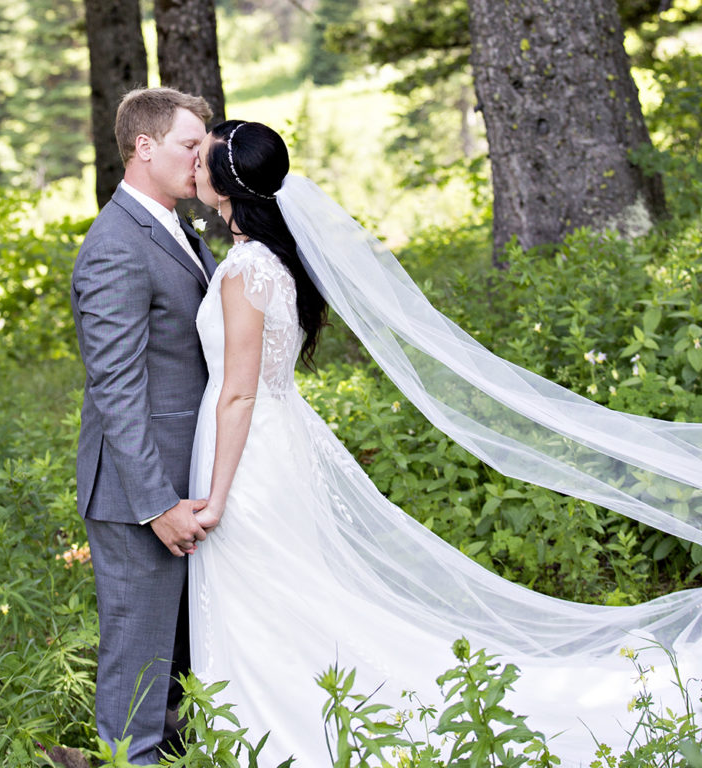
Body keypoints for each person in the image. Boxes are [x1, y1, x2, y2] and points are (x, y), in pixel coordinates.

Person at [185, 118, 702, 767]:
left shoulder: (244, 271)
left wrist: (214, 497)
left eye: (201, 160)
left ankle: (277, 727)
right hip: (276, 441)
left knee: (267, 590)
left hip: (249, 454)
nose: (193, 169)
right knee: (289, 587)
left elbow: (237, 392)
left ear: (228, 185)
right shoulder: (276, 264)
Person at [70, 87, 219, 764]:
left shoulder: (175, 227)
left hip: (182, 479)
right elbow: (117, 388)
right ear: (145, 147)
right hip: (139, 495)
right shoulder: (115, 246)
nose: (202, 158)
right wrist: (155, 501)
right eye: (191, 145)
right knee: (138, 662)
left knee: (181, 656)